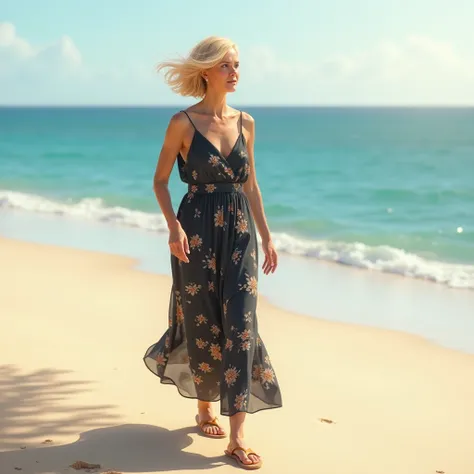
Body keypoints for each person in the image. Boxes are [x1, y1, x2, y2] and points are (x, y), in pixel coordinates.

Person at [143, 36, 282, 470]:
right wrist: (173, 228)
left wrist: (268, 234)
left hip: (240, 234)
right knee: (202, 319)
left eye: (237, 64)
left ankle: (238, 437)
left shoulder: (247, 123)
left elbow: (250, 184)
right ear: (207, 70)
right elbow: (161, 181)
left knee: (242, 323)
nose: (235, 72)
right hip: (195, 234)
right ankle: (204, 405)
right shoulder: (183, 123)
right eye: (226, 65)